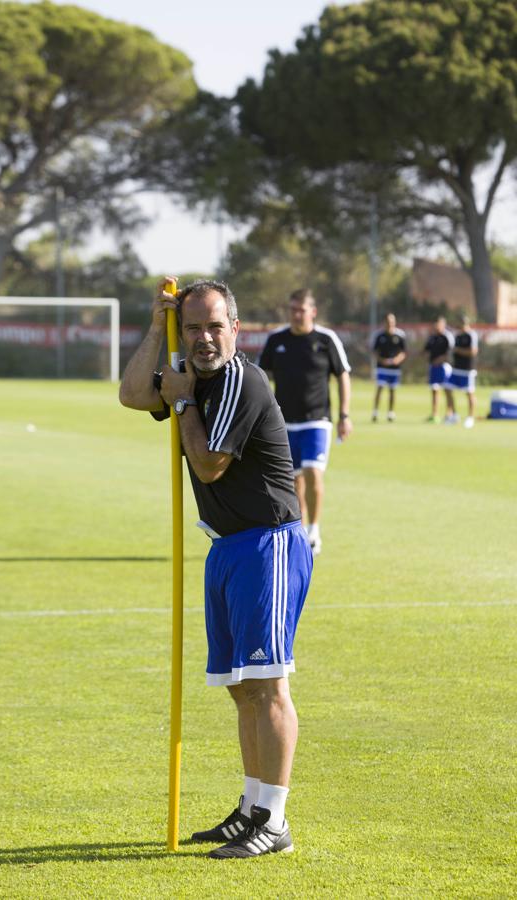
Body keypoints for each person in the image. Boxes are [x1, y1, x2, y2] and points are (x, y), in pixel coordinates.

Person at [119, 277, 313, 859]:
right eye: (193, 326)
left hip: (268, 543)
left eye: (214, 326)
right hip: (228, 546)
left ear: (236, 328)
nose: (204, 338)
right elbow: (131, 394)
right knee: (240, 689)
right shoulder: (192, 377)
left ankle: (273, 821)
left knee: (267, 683)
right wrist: (159, 328)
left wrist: (178, 400)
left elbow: (208, 466)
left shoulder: (237, 380)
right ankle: (252, 807)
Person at [257, 288, 352, 557]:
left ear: (313, 311)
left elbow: (343, 375)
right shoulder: (276, 339)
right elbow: (261, 378)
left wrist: (345, 415)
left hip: (317, 421)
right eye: (293, 309)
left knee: (312, 472)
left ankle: (314, 531)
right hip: (282, 422)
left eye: (301, 310)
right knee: (292, 481)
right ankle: (297, 531)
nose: (296, 315)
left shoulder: (325, 339)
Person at [371, 312, 407, 422]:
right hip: (382, 367)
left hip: (394, 369)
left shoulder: (400, 335)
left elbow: (403, 352)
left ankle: (390, 412)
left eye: (392, 321)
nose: (390, 323)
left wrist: (397, 360)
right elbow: (374, 351)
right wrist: (382, 360)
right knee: (380, 388)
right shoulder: (379, 335)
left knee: (392, 390)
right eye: (388, 321)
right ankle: (375, 412)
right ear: (384, 322)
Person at [446, 315, 478, 428]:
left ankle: (470, 418)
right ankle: (454, 415)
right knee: (448, 388)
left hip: (467, 370)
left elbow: (473, 352)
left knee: (469, 393)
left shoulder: (471, 335)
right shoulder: (457, 335)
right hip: (456, 368)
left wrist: (458, 350)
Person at [423, 316, 455, 423]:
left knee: (447, 390)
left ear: (443, 325)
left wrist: (441, 360)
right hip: (433, 367)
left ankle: (450, 413)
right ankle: (434, 414)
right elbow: (426, 350)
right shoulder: (432, 337)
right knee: (434, 390)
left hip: (444, 367)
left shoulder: (447, 336)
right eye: (435, 324)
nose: (436, 326)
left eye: (439, 324)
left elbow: (451, 352)